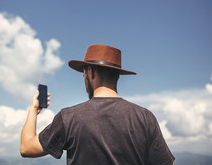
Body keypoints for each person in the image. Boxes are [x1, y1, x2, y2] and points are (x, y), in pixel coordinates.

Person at [20, 44, 175, 165]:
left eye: (83, 74)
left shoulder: (69, 117)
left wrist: (33, 109)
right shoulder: (145, 117)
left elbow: (26, 148)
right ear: (117, 76)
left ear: (90, 71)